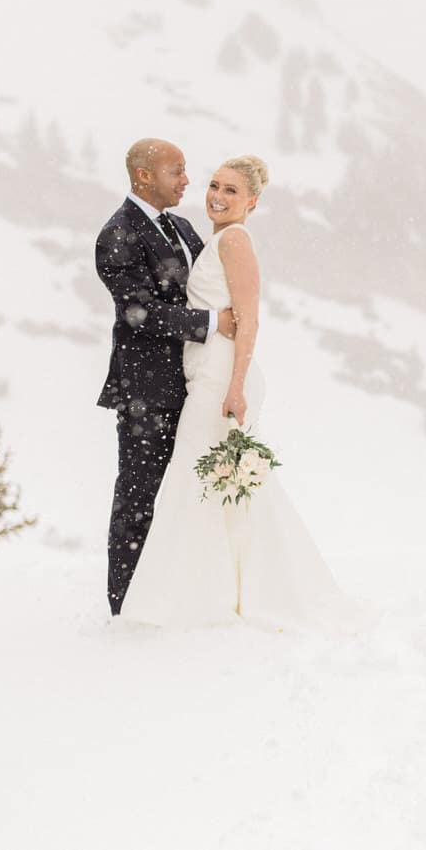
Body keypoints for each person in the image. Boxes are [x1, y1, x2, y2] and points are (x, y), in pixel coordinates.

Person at [119, 156, 345, 629]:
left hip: (223, 380)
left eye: (232, 191)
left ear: (252, 202)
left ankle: (199, 599)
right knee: (214, 488)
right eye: (214, 185)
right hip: (207, 375)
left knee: (196, 484)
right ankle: (217, 591)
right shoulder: (217, 238)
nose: (217, 196)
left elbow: (249, 319)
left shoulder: (236, 240)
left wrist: (237, 386)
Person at [94, 138, 236, 616]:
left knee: (185, 495)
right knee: (139, 496)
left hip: (194, 383)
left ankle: (178, 595)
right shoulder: (117, 234)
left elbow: (206, 280)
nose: (186, 181)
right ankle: (126, 606)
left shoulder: (182, 227)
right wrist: (214, 324)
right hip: (146, 392)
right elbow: (140, 312)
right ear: (143, 177)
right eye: (177, 171)